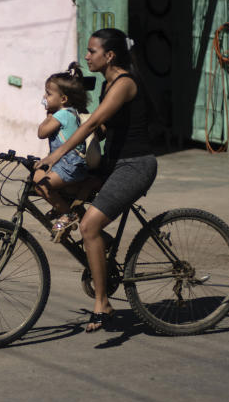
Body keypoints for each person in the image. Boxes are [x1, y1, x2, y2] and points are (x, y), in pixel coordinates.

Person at [37, 28, 157, 333]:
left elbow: (93, 123)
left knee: (89, 224)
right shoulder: (107, 85)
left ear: (110, 55)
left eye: (92, 51)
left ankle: (102, 303)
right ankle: (100, 241)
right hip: (111, 166)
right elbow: (101, 128)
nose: (87, 56)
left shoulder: (124, 83)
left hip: (134, 166)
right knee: (52, 187)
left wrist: (58, 154)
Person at [34, 63, 91, 242]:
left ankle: (67, 214)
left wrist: (48, 113)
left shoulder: (62, 115)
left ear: (63, 99)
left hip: (69, 166)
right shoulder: (71, 112)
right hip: (71, 165)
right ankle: (66, 212)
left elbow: (41, 133)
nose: (45, 97)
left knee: (39, 183)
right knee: (38, 175)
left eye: (49, 94)